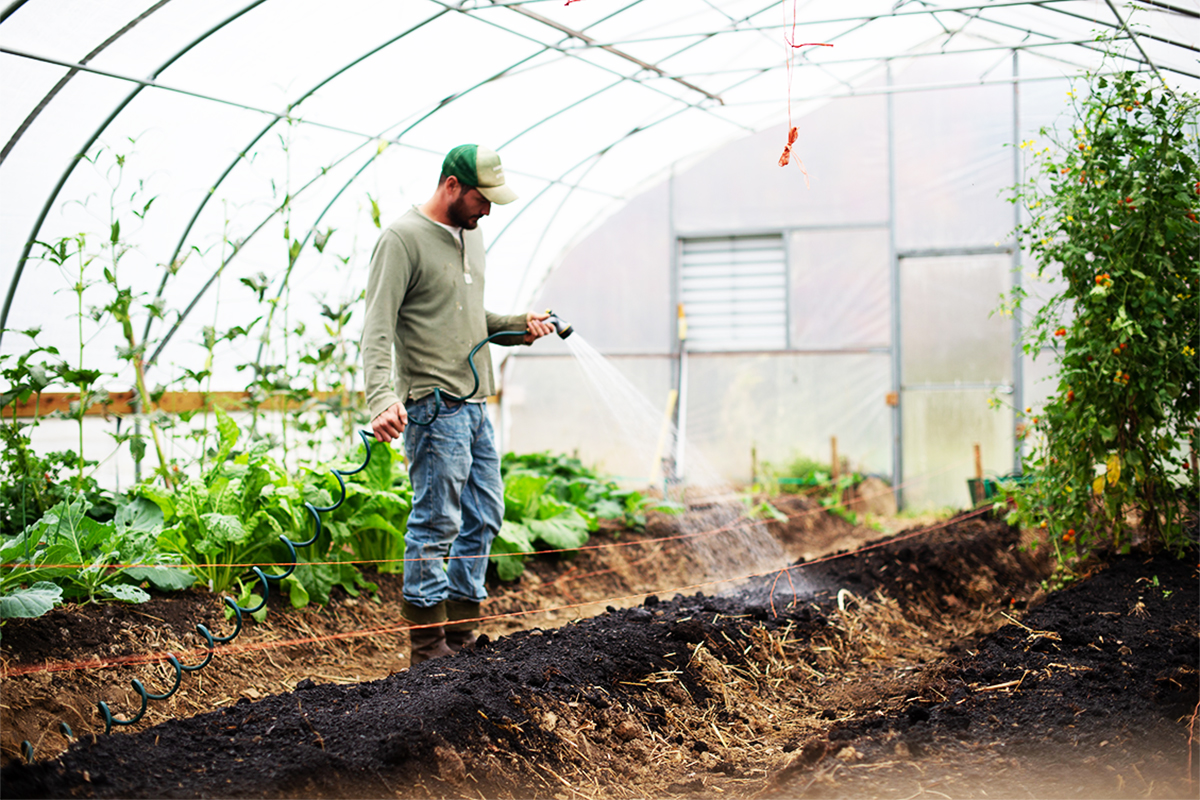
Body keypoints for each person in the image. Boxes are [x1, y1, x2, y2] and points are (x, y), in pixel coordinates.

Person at [360, 144, 555, 665]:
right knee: (435, 521)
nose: (488, 209)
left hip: (474, 405)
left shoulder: (473, 235)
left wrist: (519, 327)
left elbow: (469, 320)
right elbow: (377, 328)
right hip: (434, 405)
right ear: (451, 185)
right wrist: (381, 398)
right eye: (481, 199)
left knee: (485, 513)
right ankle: (427, 647)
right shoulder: (402, 239)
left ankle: (462, 637)